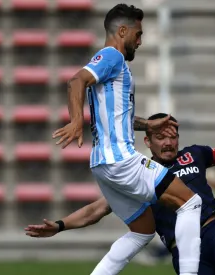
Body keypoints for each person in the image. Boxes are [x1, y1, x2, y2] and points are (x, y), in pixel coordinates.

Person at [28, 113, 215, 275]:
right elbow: (97, 209)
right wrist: (60, 225)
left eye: (173, 136)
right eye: (161, 136)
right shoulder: (138, 174)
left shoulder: (193, 154)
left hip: (213, 229)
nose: (168, 142)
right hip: (184, 251)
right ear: (147, 142)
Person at [51, 5, 202, 275]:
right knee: (191, 202)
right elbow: (76, 81)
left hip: (102, 166)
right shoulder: (112, 56)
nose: (140, 41)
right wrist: (76, 120)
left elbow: (117, 116)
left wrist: (148, 124)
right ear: (122, 31)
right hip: (120, 160)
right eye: (138, 34)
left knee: (143, 231)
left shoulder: (115, 69)